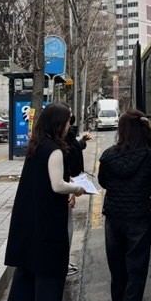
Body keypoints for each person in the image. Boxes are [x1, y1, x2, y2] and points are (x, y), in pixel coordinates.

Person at [0, 103, 86, 301]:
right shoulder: (54, 150)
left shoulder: (36, 145)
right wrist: (77, 189)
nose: (69, 125)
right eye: (67, 121)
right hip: (48, 215)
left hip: (28, 213)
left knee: (27, 263)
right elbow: (57, 185)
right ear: (57, 123)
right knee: (48, 266)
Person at [98, 109, 151, 301]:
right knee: (136, 270)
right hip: (138, 218)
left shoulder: (108, 155)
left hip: (113, 218)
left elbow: (103, 182)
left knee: (117, 268)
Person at [63, 110, 92, 276]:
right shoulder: (57, 144)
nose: (70, 123)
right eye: (68, 119)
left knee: (68, 227)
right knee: (65, 228)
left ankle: (63, 262)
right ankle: (61, 264)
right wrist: (73, 189)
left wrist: (82, 141)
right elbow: (64, 170)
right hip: (63, 192)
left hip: (68, 186)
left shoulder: (68, 138)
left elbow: (75, 148)